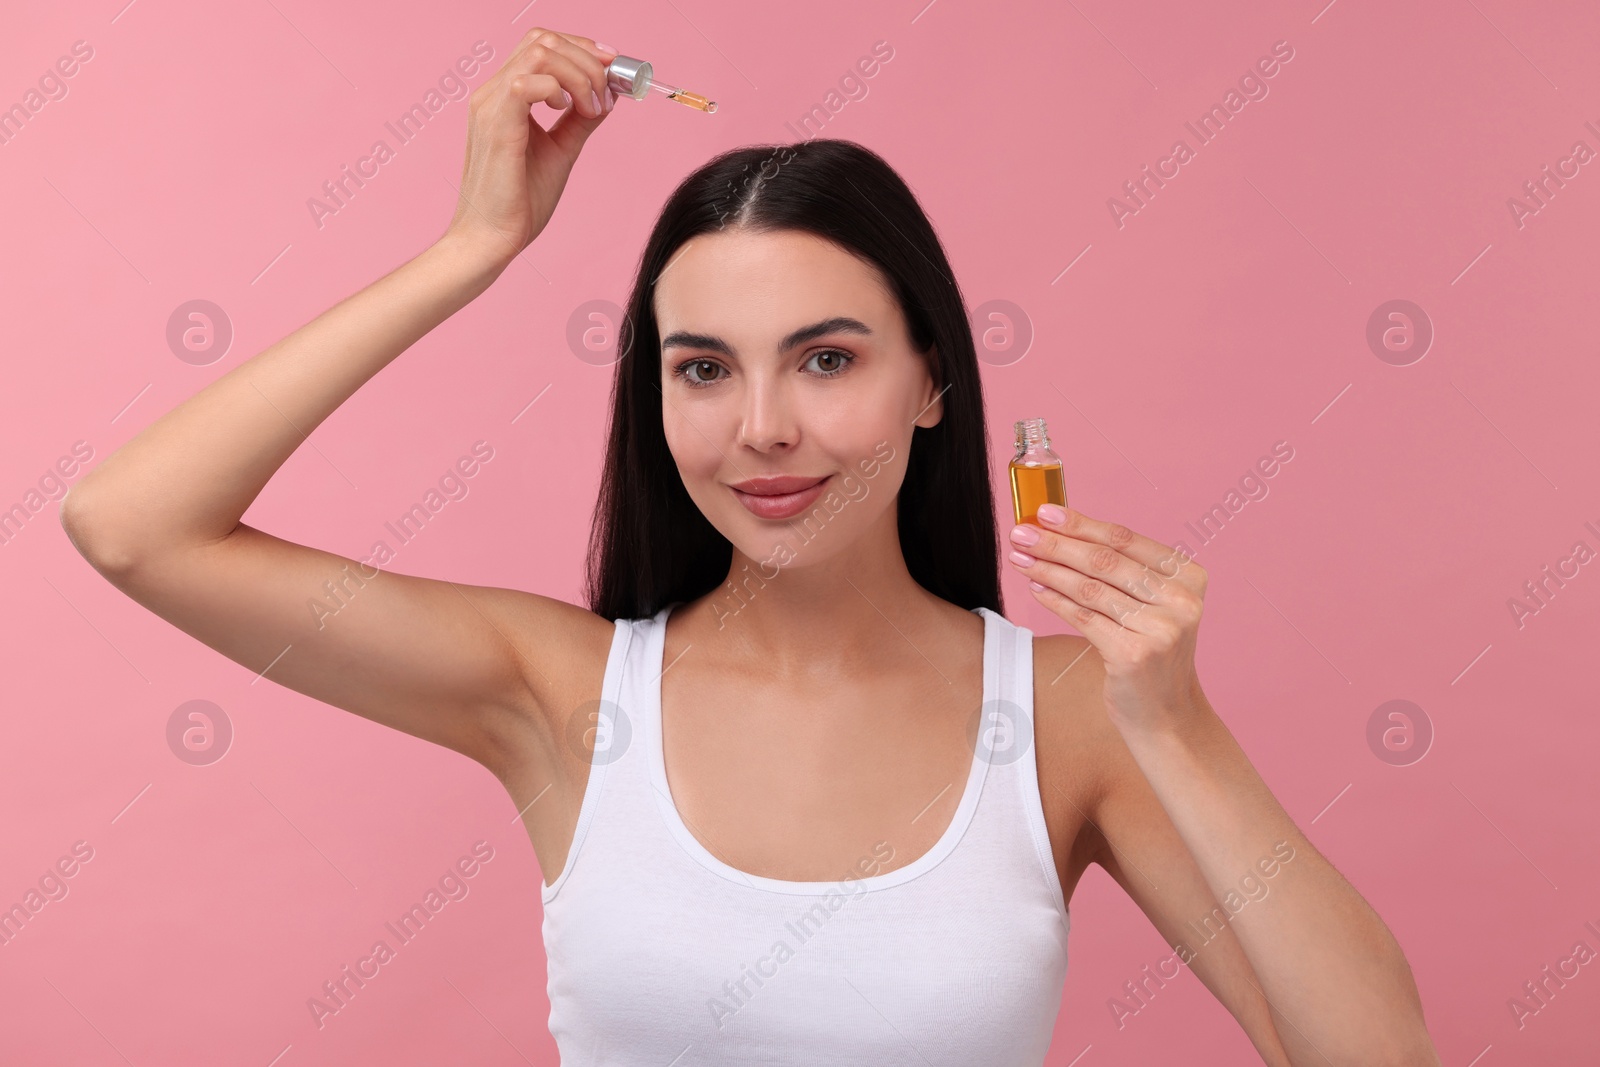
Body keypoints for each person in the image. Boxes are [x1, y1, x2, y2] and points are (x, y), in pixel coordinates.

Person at [59, 27, 1440, 1067]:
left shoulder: (1072, 715)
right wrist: (475, 245)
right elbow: (132, 526)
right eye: (704, 369)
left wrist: (1178, 726)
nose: (763, 428)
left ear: (933, 381)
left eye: (827, 359)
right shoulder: (565, 692)